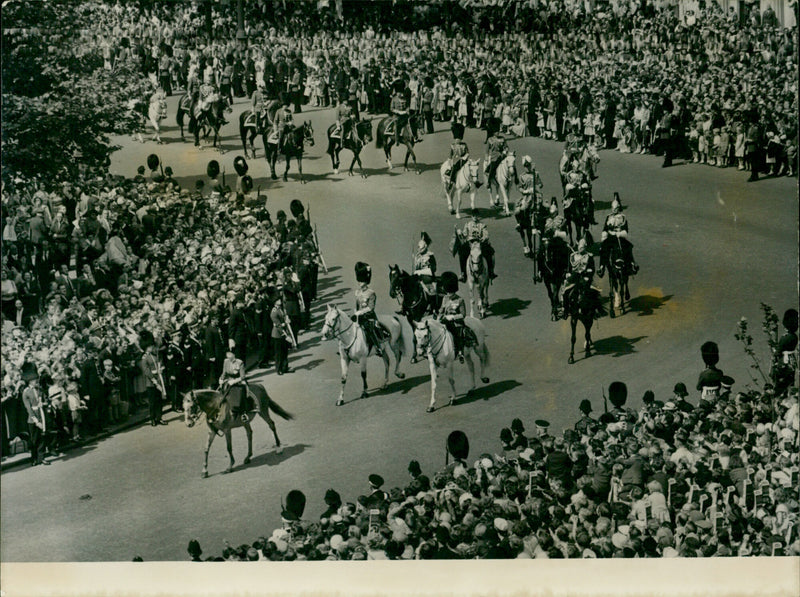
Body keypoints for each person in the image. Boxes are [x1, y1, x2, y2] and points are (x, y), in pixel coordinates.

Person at [353, 262, 389, 357]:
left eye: (361, 281)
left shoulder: (371, 293)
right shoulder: (357, 292)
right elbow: (357, 305)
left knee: (370, 330)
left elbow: (371, 308)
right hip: (358, 315)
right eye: (359, 281)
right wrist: (355, 313)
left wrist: (360, 312)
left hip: (368, 316)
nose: (359, 283)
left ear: (366, 282)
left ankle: (378, 348)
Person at [437, 271, 475, 364]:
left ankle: (460, 352)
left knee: (457, 335)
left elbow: (463, 314)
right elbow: (442, 309)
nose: (449, 294)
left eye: (451, 292)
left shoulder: (460, 300)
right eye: (448, 292)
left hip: (456, 323)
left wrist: (453, 317)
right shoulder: (445, 298)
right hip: (445, 320)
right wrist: (438, 314)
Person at [598, 192, 639, 277]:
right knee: (603, 248)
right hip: (610, 236)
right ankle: (601, 267)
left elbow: (625, 229)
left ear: (618, 208)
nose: (613, 210)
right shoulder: (608, 217)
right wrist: (605, 234)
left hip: (619, 236)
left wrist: (619, 233)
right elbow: (605, 228)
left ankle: (632, 264)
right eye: (612, 208)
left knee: (628, 247)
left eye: (615, 208)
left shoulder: (623, 217)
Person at [560, 237, 595, 319]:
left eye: (582, 248)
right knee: (566, 292)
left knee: (592, 293)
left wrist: (588, 275)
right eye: (579, 247)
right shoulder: (573, 256)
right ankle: (565, 310)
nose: (580, 249)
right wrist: (568, 273)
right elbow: (569, 267)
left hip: (585, 276)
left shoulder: (589, 256)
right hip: (574, 276)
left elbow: (592, 268)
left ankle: (595, 310)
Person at [21, 364, 48, 466]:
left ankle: (42, 458)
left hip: (42, 415)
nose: (36, 381)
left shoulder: (39, 389)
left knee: (42, 438)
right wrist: (37, 422)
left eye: (36, 379)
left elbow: (45, 401)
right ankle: (34, 458)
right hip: (33, 419)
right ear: (29, 381)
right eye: (33, 380)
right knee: (34, 440)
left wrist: (44, 404)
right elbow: (29, 408)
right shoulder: (26, 392)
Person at [218, 344, 251, 423]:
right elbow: (224, 373)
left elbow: (243, 376)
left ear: (234, 354)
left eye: (230, 354)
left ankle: (243, 412)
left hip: (238, 380)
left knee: (240, 392)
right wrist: (221, 379)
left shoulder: (239, 362)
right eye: (227, 354)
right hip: (229, 380)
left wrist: (235, 381)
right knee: (221, 392)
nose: (228, 355)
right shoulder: (226, 361)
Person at [140, 335, 167, 426]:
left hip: (158, 379)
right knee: (152, 402)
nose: (152, 347)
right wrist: (154, 380)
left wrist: (161, 369)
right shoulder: (145, 358)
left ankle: (159, 417)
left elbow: (161, 363)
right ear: (146, 347)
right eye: (150, 346)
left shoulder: (156, 354)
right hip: (151, 383)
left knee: (159, 401)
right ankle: (152, 419)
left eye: (152, 346)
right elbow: (146, 371)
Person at [461, 212, 497, 280]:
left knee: (490, 252)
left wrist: (484, 237)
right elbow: (464, 234)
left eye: (476, 216)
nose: (475, 217)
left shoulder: (482, 225)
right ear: (471, 216)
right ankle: (463, 273)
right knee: (462, 252)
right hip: (470, 243)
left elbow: (486, 234)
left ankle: (491, 271)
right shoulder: (468, 224)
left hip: (479, 243)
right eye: (474, 216)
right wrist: (460, 233)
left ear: (479, 216)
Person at [772, 308, 798, 395]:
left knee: (781, 382)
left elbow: (778, 351)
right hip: (791, 360)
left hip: (783, 361)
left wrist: (775, 350)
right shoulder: (794, 336)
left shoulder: (785, 337)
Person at [270, 291, 293, 375]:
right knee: (278, 353)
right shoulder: (274, 312)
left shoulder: (281, 309)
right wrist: (285, 335)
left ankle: (285, 367)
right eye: (278, 300)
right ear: (275, 302)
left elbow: (284, 319)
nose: (280, 301)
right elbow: (278, 325)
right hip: (278, 334)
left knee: (285, 352)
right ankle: (279, 369)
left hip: (283, 332)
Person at [413, 231, 437, 300]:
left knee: (431, 291)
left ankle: (431, 304)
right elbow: (416, 268)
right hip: (418, 278)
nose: (419, 249)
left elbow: (433, 269)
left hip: (428, 278)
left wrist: (420, 272)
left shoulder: (430, 256)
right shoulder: (417, 257)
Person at [484, 119, 508, 186]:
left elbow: (506, 147)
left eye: (498, 131)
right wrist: (486, 157)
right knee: (493, 166)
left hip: (502, 155)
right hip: (494, 156)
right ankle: (489, 181)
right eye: (496, 131)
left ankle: (516, 180)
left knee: (512, 166)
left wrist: (505, 151)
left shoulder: (502, 138)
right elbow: (487, 150)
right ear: (493, 132)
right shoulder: (490, 139)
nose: (497, 132)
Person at [446, 122, 469, 189]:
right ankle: (451, 182)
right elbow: (450, 155)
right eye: (456, 139)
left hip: (464, 161)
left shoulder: (464, 145)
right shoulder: (452, 146)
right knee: (454, 170)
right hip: (456, 161)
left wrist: (465, 157)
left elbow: (467, 153)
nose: (457, 140)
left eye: (459, 139)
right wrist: (449, 162)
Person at [390, 81, 411, 146]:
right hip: (397, 116)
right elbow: (391, 108)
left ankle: (415, 136)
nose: (400, 94)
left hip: (404, 115)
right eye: (399, 92)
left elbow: (407, 106)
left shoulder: (404, 98)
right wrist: (398, 112)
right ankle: (397, 140)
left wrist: (407, 110)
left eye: (401, 92)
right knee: (396, 126)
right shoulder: (394, 99)